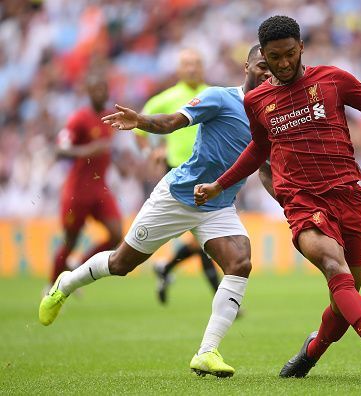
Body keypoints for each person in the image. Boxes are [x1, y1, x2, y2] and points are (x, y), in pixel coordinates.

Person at [193, 15, 361, 379]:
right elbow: (258, 148)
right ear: (263, 54)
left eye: (290, 54)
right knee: (333, 267)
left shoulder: (332, 80)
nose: (282, 64)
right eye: (274, 57)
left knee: (345, 300)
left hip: (347, 196)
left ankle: (312, 351)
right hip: (301, 201)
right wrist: (219, 185)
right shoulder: (257, 100)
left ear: (301, 49)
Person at [38, 45, 272, 378]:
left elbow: (266, 168)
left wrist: (290, 201)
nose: (268, 72)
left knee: (240, 261)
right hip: (177, 197)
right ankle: (66, 283)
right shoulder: (220, 98)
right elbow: (173, 120)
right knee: (121, 264)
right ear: (246, 65)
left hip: (217, 205)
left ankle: (207, 352)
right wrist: (141, 122)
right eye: (262, 65)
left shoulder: (272, 118)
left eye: (273, 68)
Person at [135, 48, 219, 305]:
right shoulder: (167, 98)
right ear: (179, 69)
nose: (192, 68)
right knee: (205, 237)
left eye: (196, 63)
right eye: (187, 64)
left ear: (203, 67)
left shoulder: (214, 95)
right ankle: (225, 301)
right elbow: (139, 126)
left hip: (210, 175)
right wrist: (151, 150)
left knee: (203, 238)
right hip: (177, 174)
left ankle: (167, 268)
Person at [50, 76, 122, 289]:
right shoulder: (79, 119)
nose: (100, 93)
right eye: (95, 88)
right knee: (70, 240)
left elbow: (109, 149)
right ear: (88, 92)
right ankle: (51, 285)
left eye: (103, 88)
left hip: (100, 189)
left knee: (117, 235)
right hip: (78, 192)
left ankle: (78, 267)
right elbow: (59, 150)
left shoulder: (111, 116)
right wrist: (87, 151)